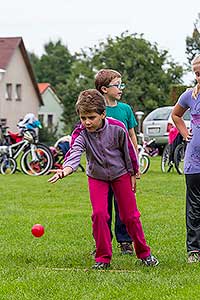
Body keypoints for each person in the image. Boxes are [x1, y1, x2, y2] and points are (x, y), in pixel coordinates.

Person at [49, 89, 159, 269]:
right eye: (83, 118)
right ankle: (102, 258)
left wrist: (133, 173)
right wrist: (66, 170)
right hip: (97, 177)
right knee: (99, 214)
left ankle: (144, 254)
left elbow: (128, 152)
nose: (87, 122)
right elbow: (75, 152)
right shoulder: (81, 133)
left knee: (130, 216)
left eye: (91, 117)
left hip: (121, 174)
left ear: (102, 114)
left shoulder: (117, 127)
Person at [95, 69, 139, 255]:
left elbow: (132, 136)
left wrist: (135, 165)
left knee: (124, 206)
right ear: (104, 89)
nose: (121, 88)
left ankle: (125, 242)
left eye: (122, 84)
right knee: (102, 210)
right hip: (102, 169)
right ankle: (103, 243)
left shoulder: (126, 110)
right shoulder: (96, 111)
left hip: (123, 168)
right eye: (117, 85)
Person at [171, 54, 200, 263]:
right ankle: (194, 250)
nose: (199, 77)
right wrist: (184, 133)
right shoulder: (189, 95)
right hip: (194, 162)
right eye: (197, 73)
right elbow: (176, 115)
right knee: (194, 207)